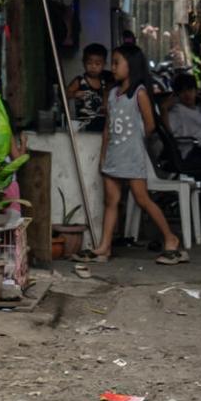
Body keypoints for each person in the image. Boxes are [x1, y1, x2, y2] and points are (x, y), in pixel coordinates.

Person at [79, 45, 187, 265]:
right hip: (113, 156)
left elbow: (150, 126)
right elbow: (108, 127)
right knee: (111, 201)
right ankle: (104, 247)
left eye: (117, 62)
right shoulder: (111, 94)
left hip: (132, 156)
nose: (113, 67)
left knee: (142, 199)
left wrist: (132, 143)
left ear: (132, 66)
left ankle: (171, 238)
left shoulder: (140, 94)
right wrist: (103, 155)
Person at [66, 43, 112, 133]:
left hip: (101, 125)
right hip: (84, 125)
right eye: (89, 63)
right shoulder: (79, 81)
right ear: (83, 63)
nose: (93, 67)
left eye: (97, 64)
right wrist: (74, 94)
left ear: (104, 65)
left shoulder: (105, 82)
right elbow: (65, 94)